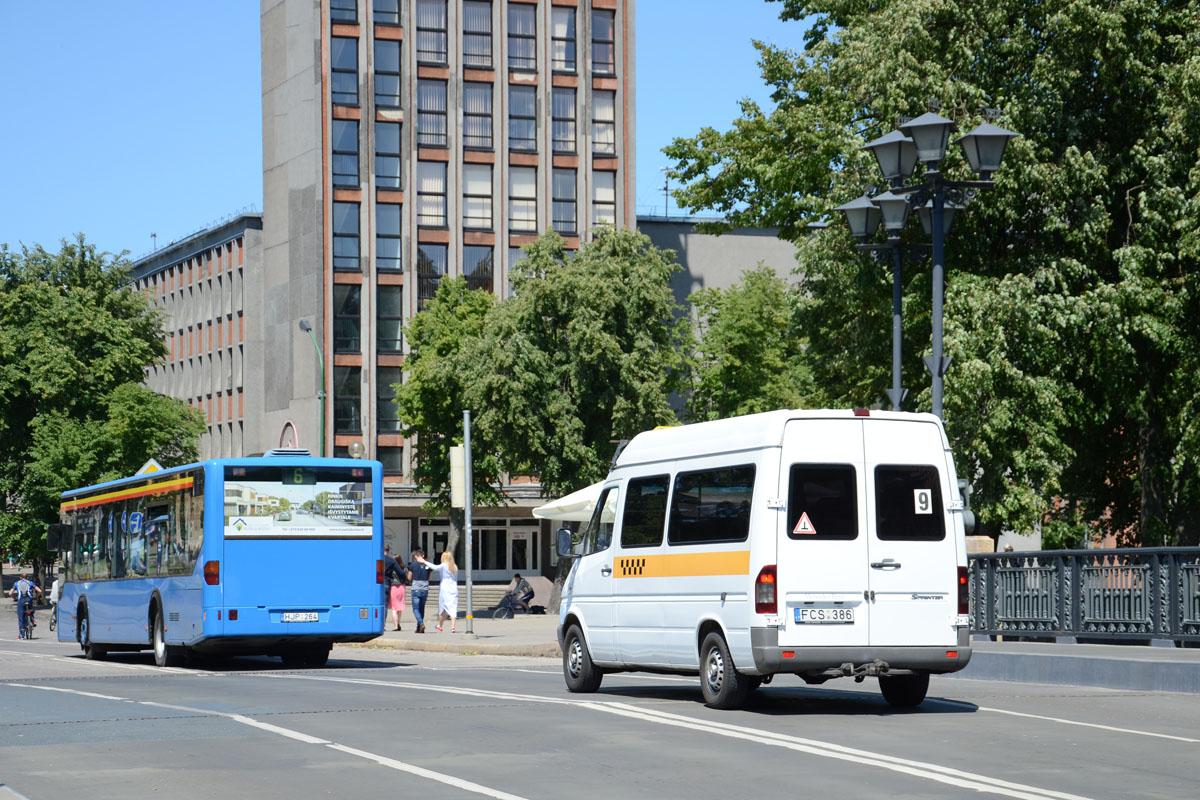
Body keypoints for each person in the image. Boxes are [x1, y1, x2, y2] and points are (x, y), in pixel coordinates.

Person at [419, 551, 459, 632]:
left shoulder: (444, 565)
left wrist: (424, 561)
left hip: (445, 587)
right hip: (454, 587)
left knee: (443, 606)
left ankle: (440, 626)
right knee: (453, 607)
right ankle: (453, 626)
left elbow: (435, 567)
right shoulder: (455, 566)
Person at [9, 573, 42, 640]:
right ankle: (33, 621)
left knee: (21, 617)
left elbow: (10, 593)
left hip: (21, 600)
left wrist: (14, 598)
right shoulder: (30, 583)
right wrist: (36, 597)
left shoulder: (16, 583)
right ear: (27, 577)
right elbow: (39, 590)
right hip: (29, 599)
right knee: (30, 609)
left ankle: (21, 634)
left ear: (20, 577)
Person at [383, 545, 408, 631]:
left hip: (375, 583)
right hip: (386, 582)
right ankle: (382, 625)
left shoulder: (376, 558)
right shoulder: (391, 560)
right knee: (385, 605)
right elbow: (401, 572)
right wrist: (405, 580)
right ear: (388, 550)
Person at [407, 549, 432, 634]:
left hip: (416, 589)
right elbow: (430, 578)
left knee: (415, 609)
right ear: (423, 556)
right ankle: (419, 627)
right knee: (422, 608)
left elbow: (409, 577)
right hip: (425, 589)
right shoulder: (428, 565)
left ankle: (421, 624)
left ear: (416, 556)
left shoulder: (413, 565)